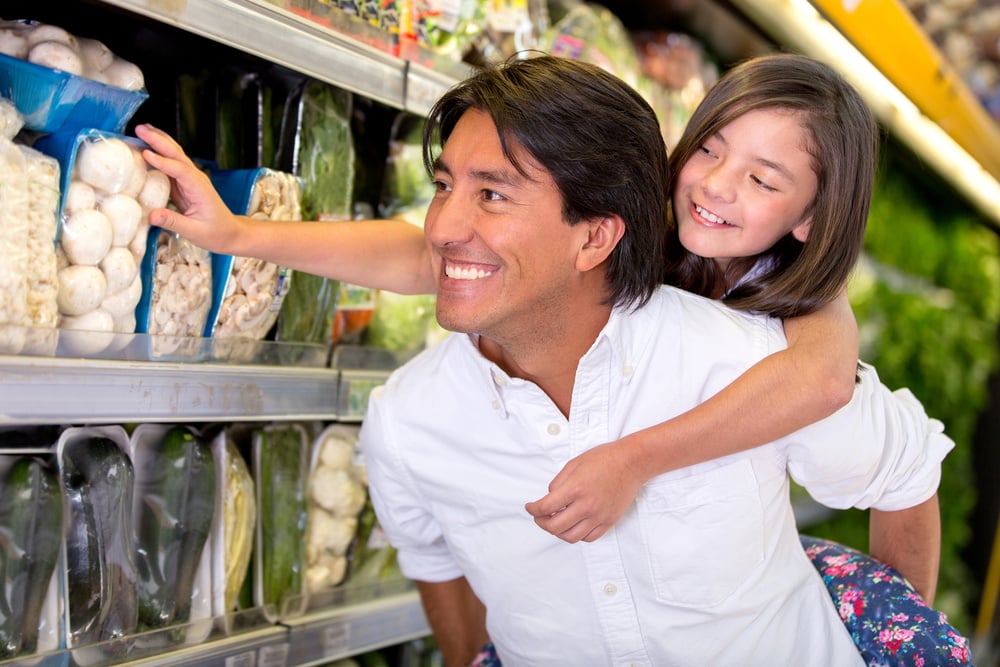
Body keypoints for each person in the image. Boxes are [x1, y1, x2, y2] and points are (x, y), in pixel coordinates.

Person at [141, 54, 954, 665]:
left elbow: (829, 396)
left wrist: (893, 633)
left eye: (763, 178)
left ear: (812, 219)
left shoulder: (778, 324)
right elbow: (430, 252)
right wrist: (240, 234)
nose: (717, 186)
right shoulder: (624, 234)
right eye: (710, 149)